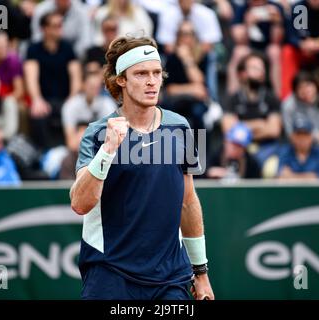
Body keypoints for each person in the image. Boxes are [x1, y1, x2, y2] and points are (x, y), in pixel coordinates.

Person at [69, 36, 214, 300]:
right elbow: (80, 203)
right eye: (141, 74)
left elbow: (188, 202)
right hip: (110, 273)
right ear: (121, 80)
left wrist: (201, 273)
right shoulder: (98, 132)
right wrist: (108, 150)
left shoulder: (180, 126)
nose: (152, 81)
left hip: (170, 276)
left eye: (157, 73)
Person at [24, 11, 82, 149]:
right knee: (37, 115)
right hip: (44, 99)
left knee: (74, 113)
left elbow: (76, 76)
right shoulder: (33, 49)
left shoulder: (68, 48)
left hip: (65, 99)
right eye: (55, 26)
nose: (59, 29)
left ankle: (70, 150)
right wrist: (37, 99)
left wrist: (72, 100)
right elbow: (31, 77)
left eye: (60, 25)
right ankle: (44, 152)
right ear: (44, 29)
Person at [222, 52, 282, 167]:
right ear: (242, 73)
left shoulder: (271, 98)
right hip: (240, 149)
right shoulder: (232, 99)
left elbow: (274, 130)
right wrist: (261, 124)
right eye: (255, 68)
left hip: (268, 148)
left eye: (262, 68)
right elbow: (229, 130)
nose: (261, 72)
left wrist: (241, 127)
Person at [164, 20, 209, 130]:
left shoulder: (203, 57)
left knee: (198, 113)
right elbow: (170, 89)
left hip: (196, 101)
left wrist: (187, 59)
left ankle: (201, 147)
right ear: (178, 37)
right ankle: (173, 147)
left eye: (189, 34)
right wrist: (192, 89)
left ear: (194, 37)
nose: (185, 38)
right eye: (182, 34)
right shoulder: (172, 59)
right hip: (176, 100)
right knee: (168, 113)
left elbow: (201, 86)